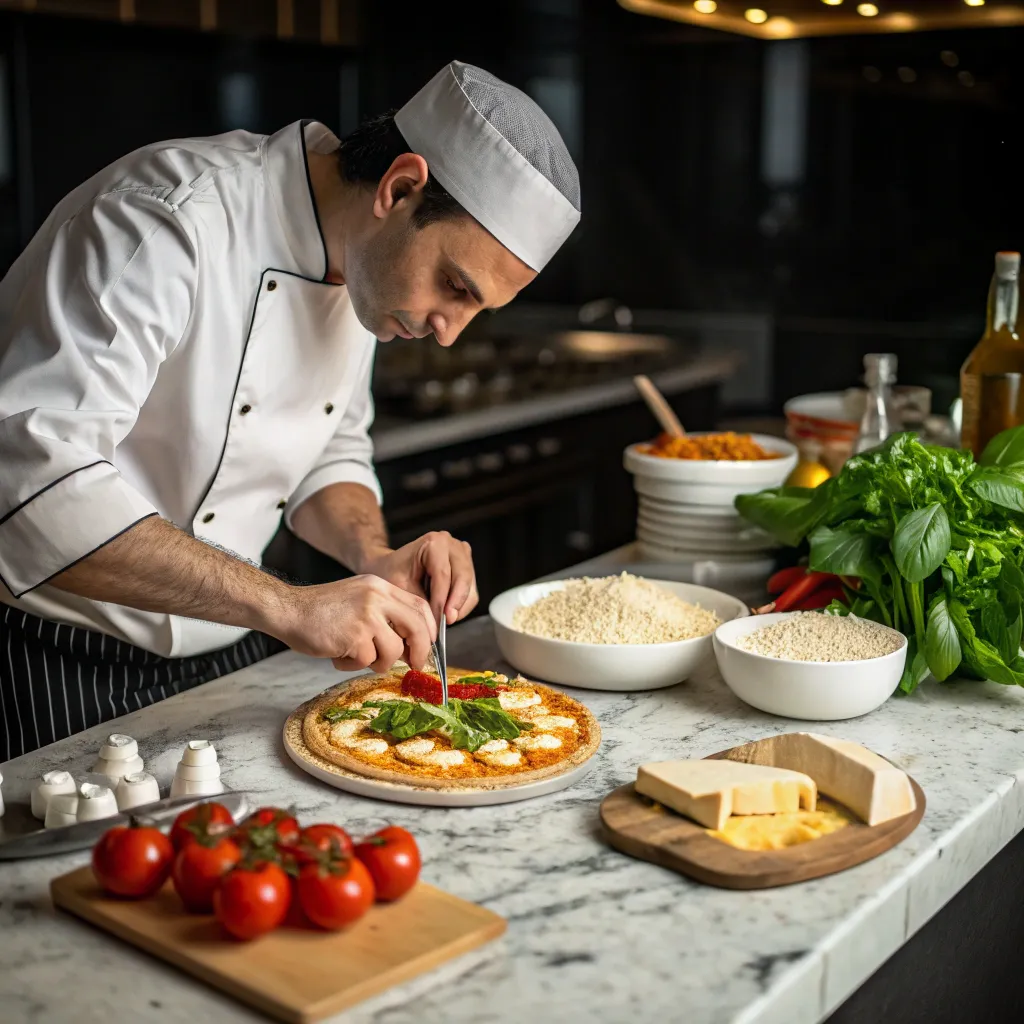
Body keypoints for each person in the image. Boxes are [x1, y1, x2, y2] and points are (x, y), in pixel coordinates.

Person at [0, 60, 582, 760]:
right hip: (57, 659)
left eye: (477, 309)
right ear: (400, 188)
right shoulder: (162, 219)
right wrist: (288, 605)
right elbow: (31, 487)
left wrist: (374, 555)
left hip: (229, 653)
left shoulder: (368, 265)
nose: (450, 332)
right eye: (454, 287)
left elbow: (329, 449)